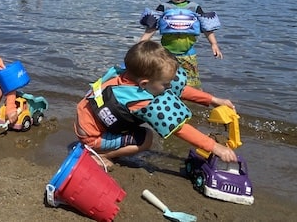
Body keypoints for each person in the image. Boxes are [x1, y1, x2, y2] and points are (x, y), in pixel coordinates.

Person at [74, 40, 238, 170]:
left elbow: (179, 89)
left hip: (86, 119)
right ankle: (101, 155)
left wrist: (213, 100)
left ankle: (102, 147)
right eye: (166, 84)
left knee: (155, 100)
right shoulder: (139, 101)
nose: (169, 87)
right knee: (146, 138)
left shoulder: (128, 74)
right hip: (92, 137)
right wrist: (215, 147)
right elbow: (178, 128)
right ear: (144, 83)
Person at [139, 0, 222, 88]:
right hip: (166, 53)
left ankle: (193, 100)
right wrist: (141, 43)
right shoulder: (163, 7)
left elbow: (206, 27)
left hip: (188, 53)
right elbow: (152, 27)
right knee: (165, 78)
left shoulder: (194, 7)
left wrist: (214, 44)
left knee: (191, 82)